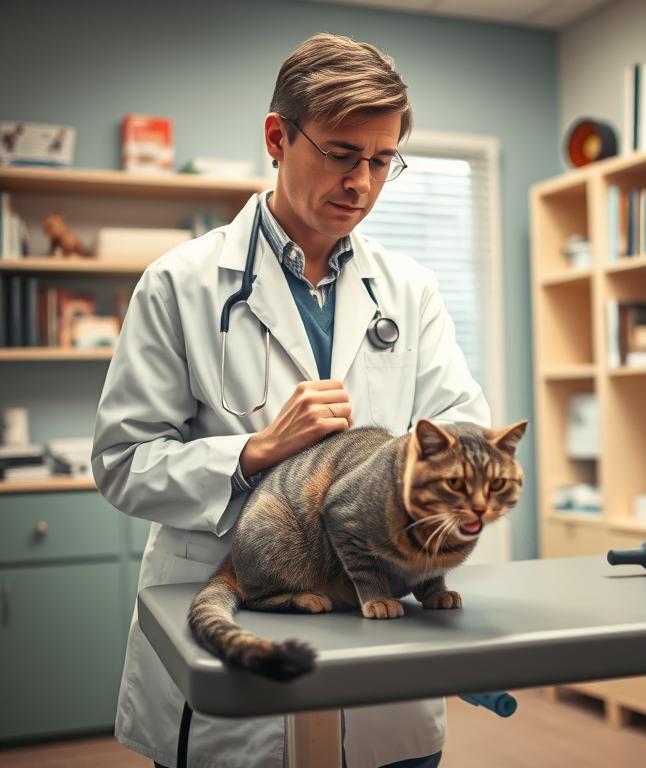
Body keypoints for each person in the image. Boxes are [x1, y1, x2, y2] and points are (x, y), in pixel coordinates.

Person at [92, 32, 489, 768]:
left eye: (381, 161)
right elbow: (122, 461)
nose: (362, 183)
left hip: (381, 656)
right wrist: (253, 453)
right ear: (278, 137)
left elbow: (464, 428)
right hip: (232, 651)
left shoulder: (409, 290)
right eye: (342, 154)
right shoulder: (179, 285)